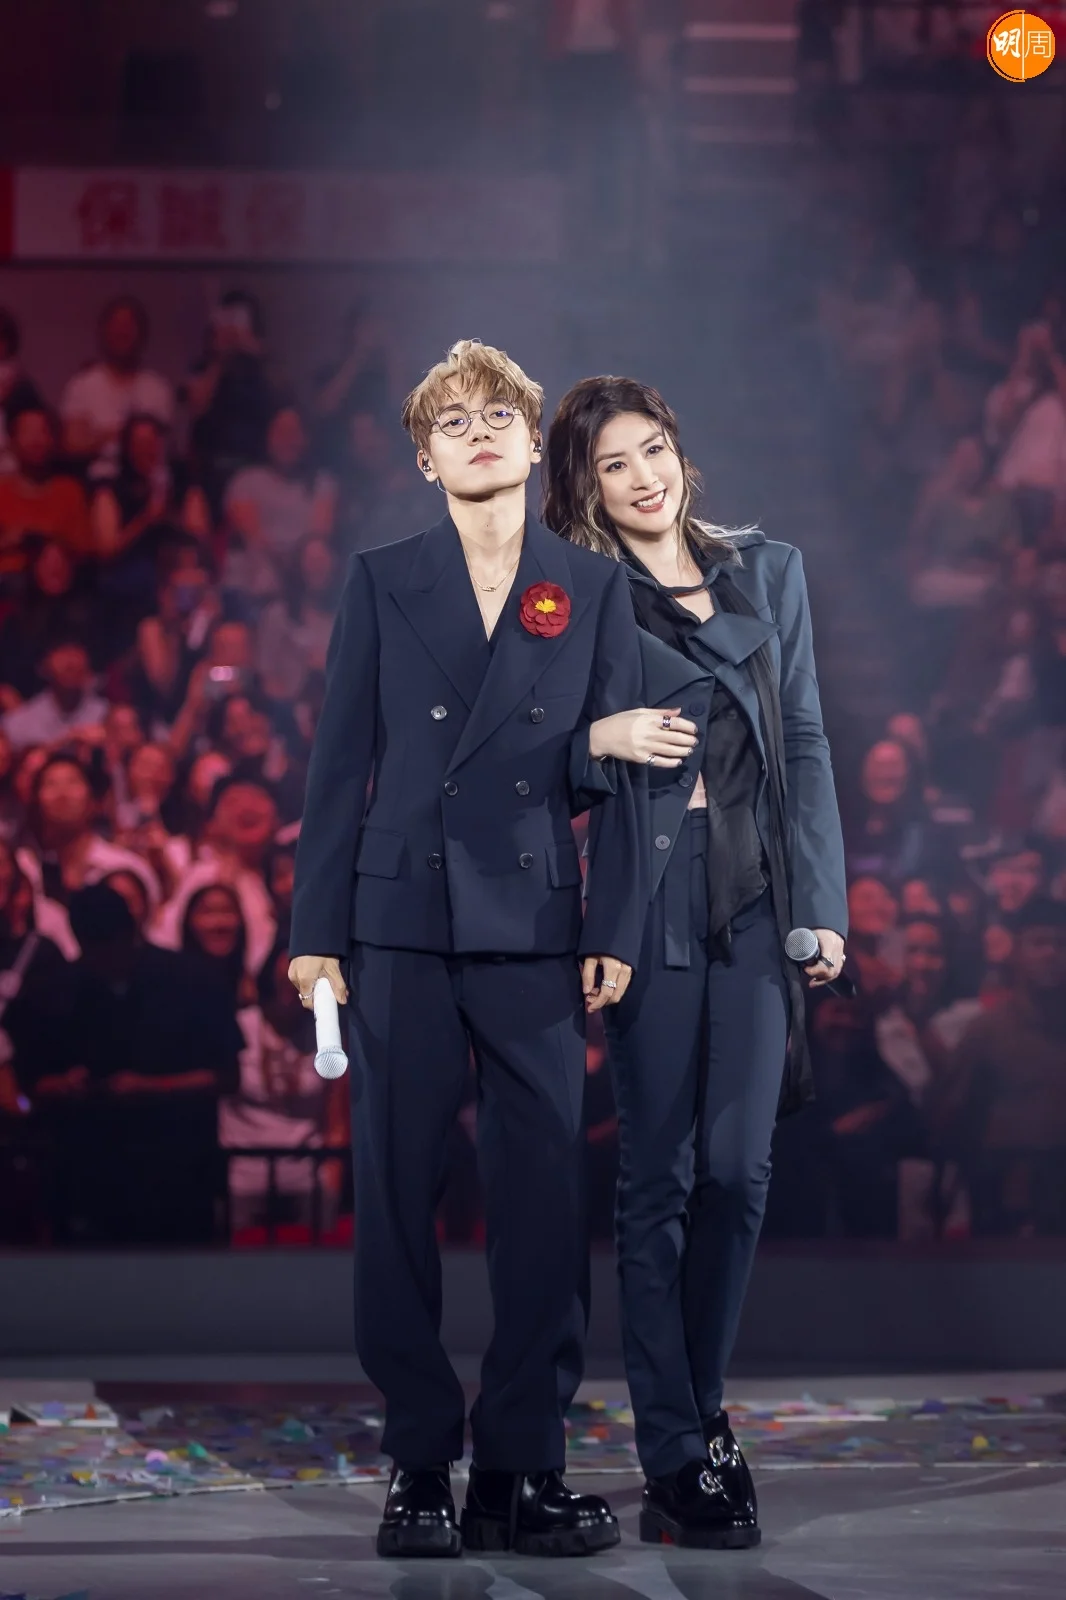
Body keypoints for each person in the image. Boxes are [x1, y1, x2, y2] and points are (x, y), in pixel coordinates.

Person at [288, 339, 647, 1560]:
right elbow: (339, 764)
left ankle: (523, 1465)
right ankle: (417, 1464)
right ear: (424, 456)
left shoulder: (588, 585)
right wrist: (314, 933)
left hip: (535, 928)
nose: (480, 431)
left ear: (531, 442)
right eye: (455, 421)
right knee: (396, 1195)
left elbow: (619, 775)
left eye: (499, 414)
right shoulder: (382, 579)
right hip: (396, 926)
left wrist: (614, 924)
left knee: (542, 1198)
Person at [543, 375, 847, 1549]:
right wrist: (598, 736)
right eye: (613, 463)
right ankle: (676, 1448)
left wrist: (822, 904)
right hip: (650, 904)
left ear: (680, 451)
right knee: (658, 1179)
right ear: (586, 487)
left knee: (738, 1169)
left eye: (652, 449)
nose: (642, 476)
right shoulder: (581, 597)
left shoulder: (767, 571)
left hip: (758, 898)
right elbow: (535, 754)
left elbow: (804, 740)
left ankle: (699, 1409)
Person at [66, 883, 243, 1244]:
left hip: (180, 1176)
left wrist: (150, 1087)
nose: (100, 960)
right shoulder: (73, 985)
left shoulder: (194, 980)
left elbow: (228, 1076)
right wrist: (72, 1084)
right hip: (98, 1180)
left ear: (127, 934)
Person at [933, 897, 1066, 1235]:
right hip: (1003, 1195)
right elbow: (951, 1115)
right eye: (1039, 942)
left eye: (1061, 943)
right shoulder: (987, 1031)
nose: (1051, 953)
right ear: (1017, 951)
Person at [60, 297, 175, 482]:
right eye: (116, 325)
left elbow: (161, 449)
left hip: (148, 483)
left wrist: (99, 435)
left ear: (142, 334)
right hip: (99, 480)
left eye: (129, 326)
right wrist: (124, 436)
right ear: (104, 331)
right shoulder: (82, 386)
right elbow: (72, 445)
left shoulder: (158, 388)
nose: (123, 332)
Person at [0, 405, 92, 576]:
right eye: (27, 432)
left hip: (56, 583)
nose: (36, 441)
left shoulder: (70, 491)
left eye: (43, 432)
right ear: (12, 442)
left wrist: (42, 539)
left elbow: (83, 549)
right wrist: (9, 541)